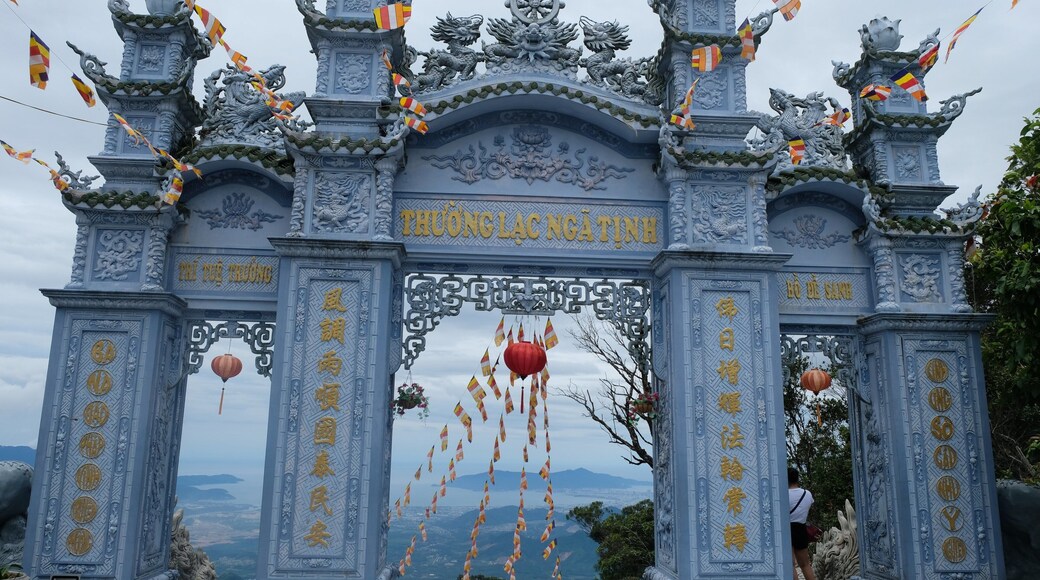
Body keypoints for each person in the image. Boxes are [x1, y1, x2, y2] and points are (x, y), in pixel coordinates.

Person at [788, 467, 816, 580]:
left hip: (787, 529)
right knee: (805, 564)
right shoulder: (807, 494)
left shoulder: (783, 495)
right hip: (801, 529)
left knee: (790, 565)